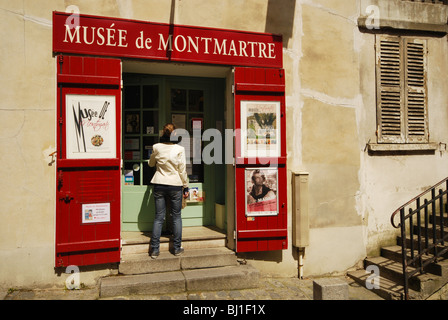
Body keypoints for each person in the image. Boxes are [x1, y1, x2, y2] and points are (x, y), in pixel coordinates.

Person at [148, 123, 189, 259]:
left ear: (162, 133)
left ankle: (155, 250)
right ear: (175, 134)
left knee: (159, 217)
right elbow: (182, 170)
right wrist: (186, 186)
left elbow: (151, 164)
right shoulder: (179, 149)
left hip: (159, 183)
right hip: (175, 185)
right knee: (176, 217)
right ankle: (176, 248)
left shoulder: (156, 147)